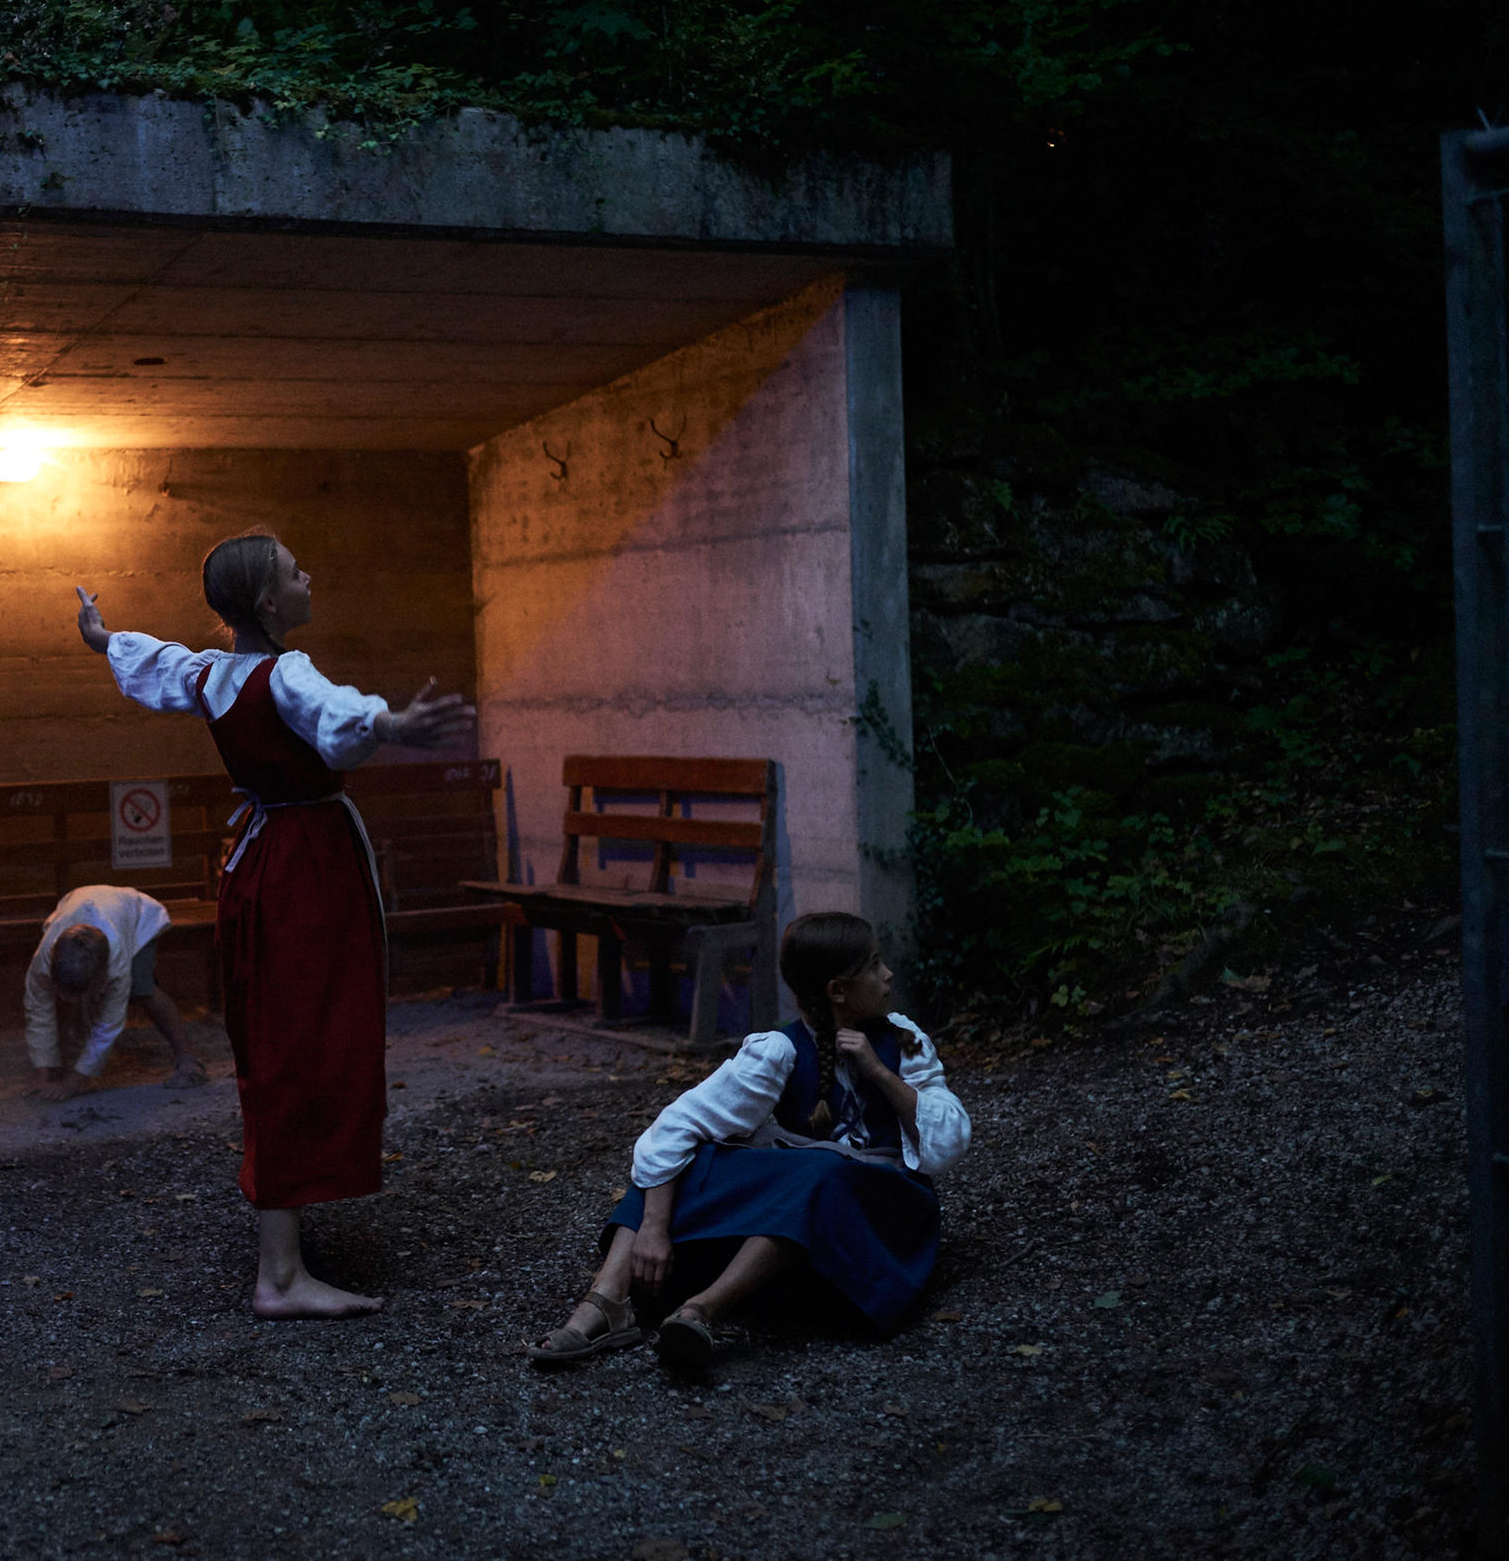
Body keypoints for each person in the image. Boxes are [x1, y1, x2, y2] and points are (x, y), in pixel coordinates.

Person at [76, 532, 475, 1318]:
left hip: (263, 867)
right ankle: (280, 1274)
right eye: (297, 571)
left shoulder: (211, 672)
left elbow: (151, 660)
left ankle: (286, 1248)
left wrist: (100, 636)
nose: (310, 575)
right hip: (305, 873)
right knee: (307, 1042)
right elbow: (335, 714)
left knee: (282, 1039)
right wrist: (392, 724)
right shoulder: (282, 673)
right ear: (267, 601)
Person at [528, 911, 970, 1376]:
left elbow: (947, 1142)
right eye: (875, 965)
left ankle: (701, 1310)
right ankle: (605, 1301)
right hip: (799, 1222)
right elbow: (674, 1128)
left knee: (819, 1173)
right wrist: (656, 1228)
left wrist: (877, 1072)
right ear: (838, 990)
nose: (888, 975)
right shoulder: (779, 1050)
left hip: (878, 1224)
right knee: (686, 1159)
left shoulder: (904, 1039)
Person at [24, 884, 209, 1101]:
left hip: (138, 916)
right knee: (58, 999)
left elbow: (108, 1024)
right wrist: (42, 1069)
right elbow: (38, 1009)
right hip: (77, 903)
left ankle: (188, 1058)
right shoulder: (43, 961)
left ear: (102, 977)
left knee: (142, 989)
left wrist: (72, 1083)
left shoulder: (116, 962)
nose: (68, 999)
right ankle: (59, 1064)